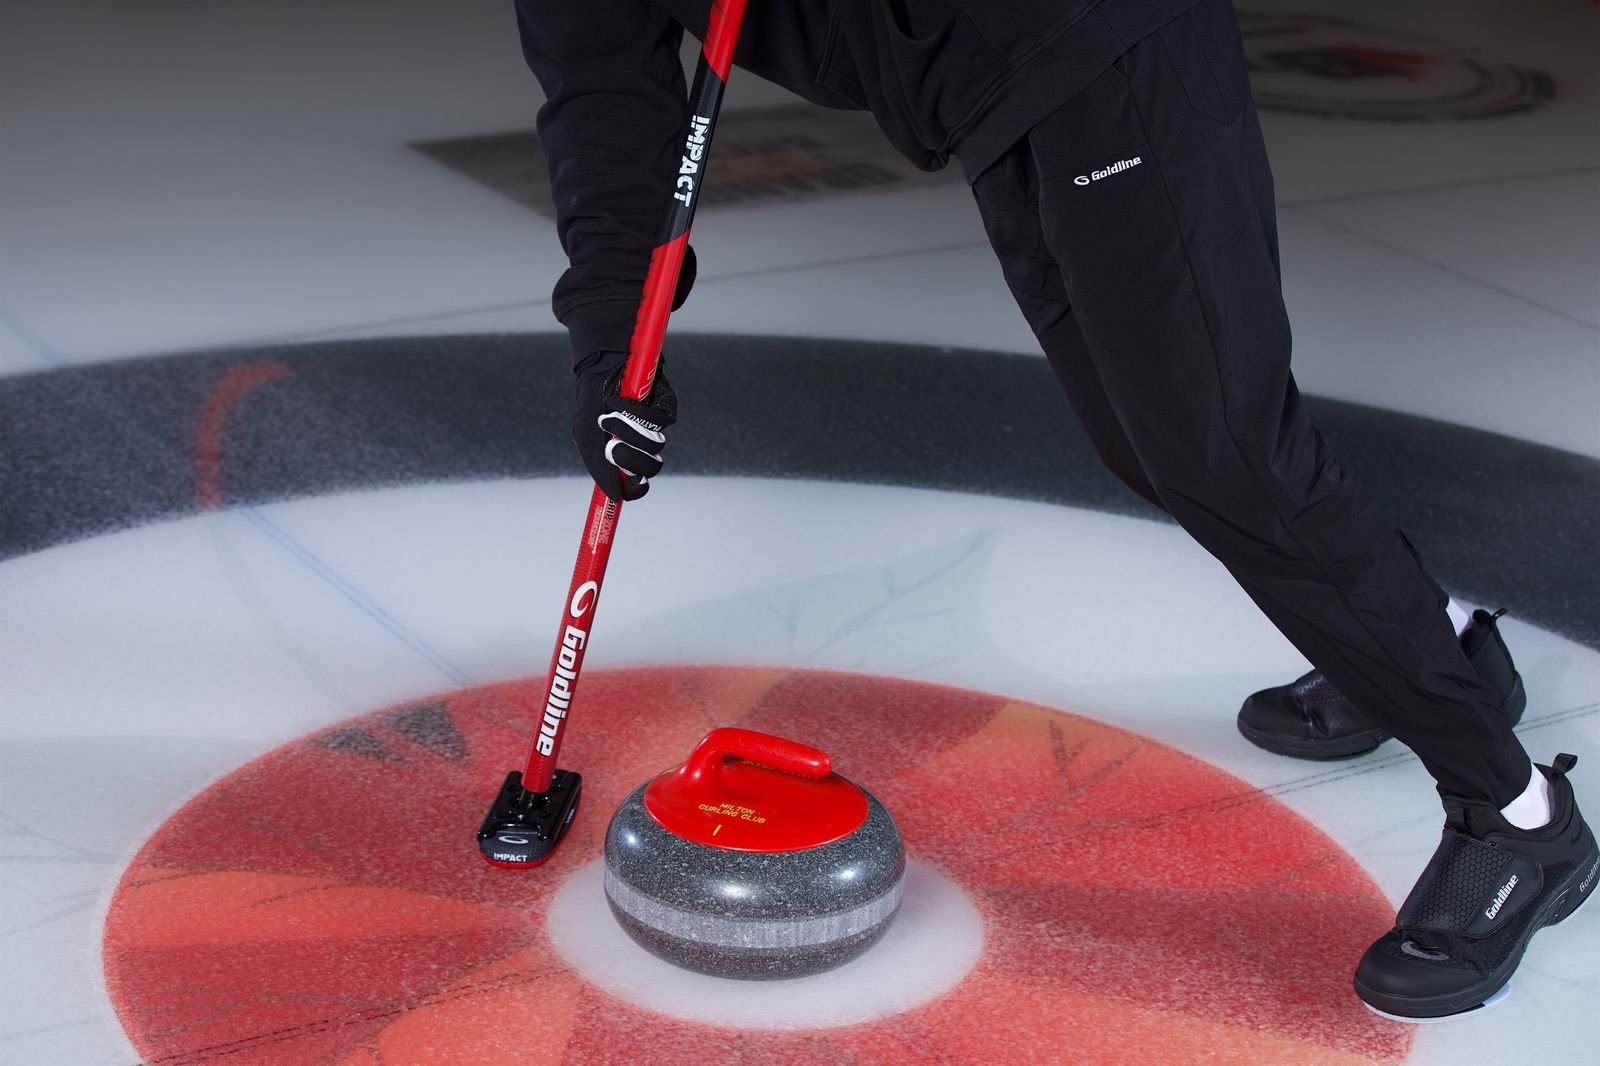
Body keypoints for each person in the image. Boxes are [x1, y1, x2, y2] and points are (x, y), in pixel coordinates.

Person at [515, 0, 1595, 1020]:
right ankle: (1425, 652)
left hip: (1092, 34)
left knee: (1228, 455)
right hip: (991, 93)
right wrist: (611, 353)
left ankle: (1518, 816)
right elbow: (603, 101)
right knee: (1156, 444)